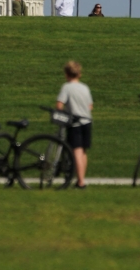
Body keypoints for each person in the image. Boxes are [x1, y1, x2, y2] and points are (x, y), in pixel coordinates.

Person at [58, 61, 94, 189]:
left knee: (77, 151)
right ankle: (82, 178)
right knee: (83, 152)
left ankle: (80, 182)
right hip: (87, 121)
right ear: (79, 74)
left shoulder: (66, 87)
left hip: (75, 123)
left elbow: (59, 105)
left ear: (67, 74)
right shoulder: (85, 87)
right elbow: (90, 106)